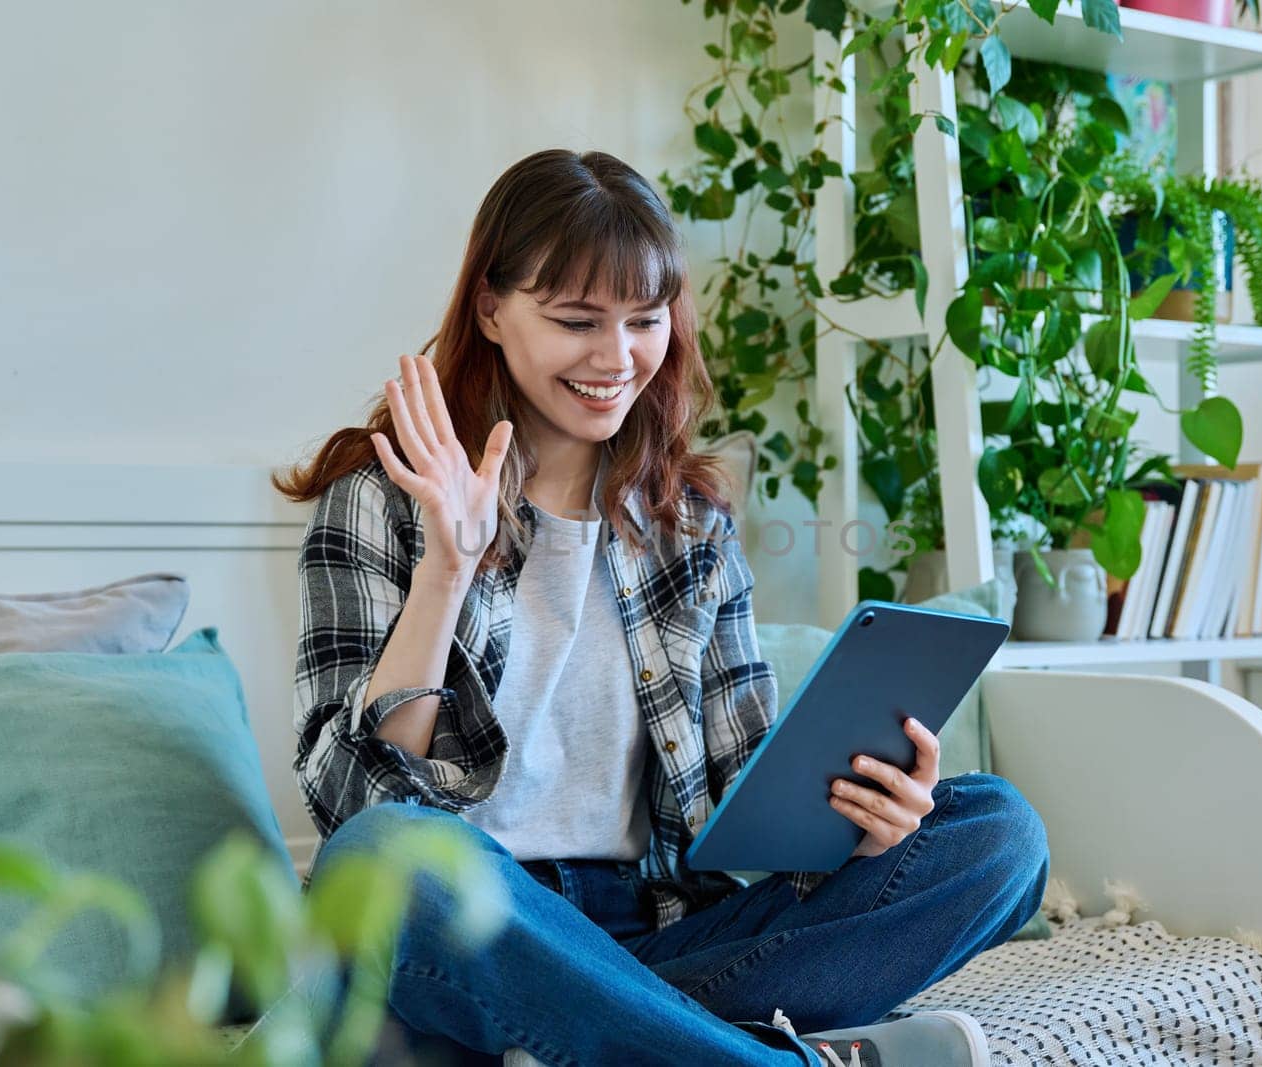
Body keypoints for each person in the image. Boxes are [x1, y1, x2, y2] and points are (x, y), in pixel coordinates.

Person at [273, 148, 1048, 1066]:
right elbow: (353, 798)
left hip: (661, 929)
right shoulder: (379, 493)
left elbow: (746, 802)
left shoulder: (688, 524)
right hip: (471, 916)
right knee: (388, 858)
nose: (617, 358)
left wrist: (869, 813)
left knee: (1000, 836)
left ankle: (581, 1033)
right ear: (490, 308)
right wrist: (449, 564)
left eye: (644, 321)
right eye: (576, 321)